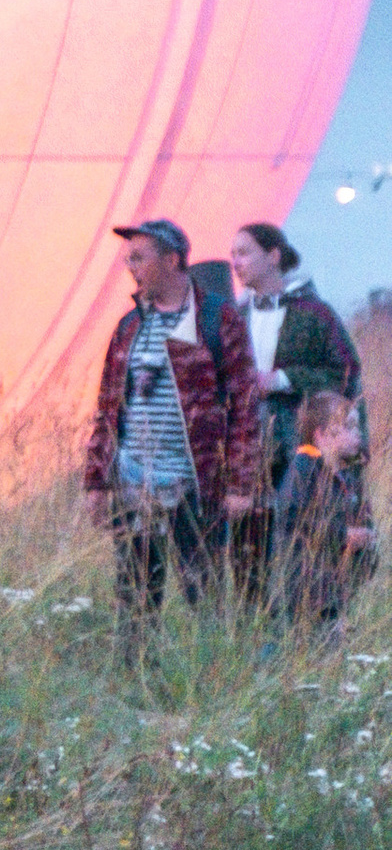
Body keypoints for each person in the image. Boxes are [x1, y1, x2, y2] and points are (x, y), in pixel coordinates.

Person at [81, 218, 263, 632]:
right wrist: (95, 480)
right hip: (133, 483)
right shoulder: (130, 326)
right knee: (135, 594)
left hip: (192, 484)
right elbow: (108, 407)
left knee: (205, 592)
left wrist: (239, 484)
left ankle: (210, 676)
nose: (131, 265)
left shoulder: (216, 320)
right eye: (129, 258)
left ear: (172, 259)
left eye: (139, 257)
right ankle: (136, 676)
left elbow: (245, 406)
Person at [227, 223, 363, 593]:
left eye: (244, 252)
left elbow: (345, 371)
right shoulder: (235, 315)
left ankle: (303, 617)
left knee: (301, 532)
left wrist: (282, 379)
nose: (235, 262)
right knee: (250, 537)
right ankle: (253, 625)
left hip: (302, 440)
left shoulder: (314, 313)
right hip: (249, 442)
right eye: (233, 254)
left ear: (273, 256)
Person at [272, 388, 375, 625]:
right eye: (348, 426)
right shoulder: (303, 469)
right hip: (300, 596)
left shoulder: (346, 476)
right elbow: (294, 519)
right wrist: (344, 535)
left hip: (334, 594)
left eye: (357, 426)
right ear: (320, 434)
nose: (357, 434)